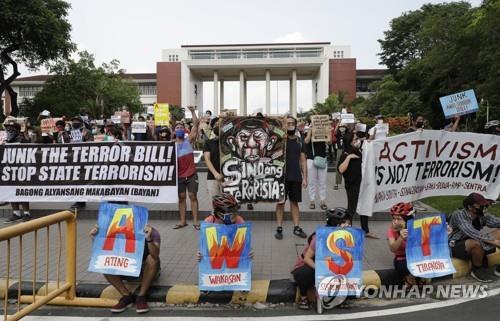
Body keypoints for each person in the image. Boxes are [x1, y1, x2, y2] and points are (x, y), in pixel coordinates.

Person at [89, 224, 160, 313]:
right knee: (103, 259)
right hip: (125, 268)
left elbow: (155, 255)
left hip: (145, 270)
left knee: (152, 259)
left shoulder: (151, 231)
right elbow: (102, 251)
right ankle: (126, 296)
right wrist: (95, 238)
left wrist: (149, 239)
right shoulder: (112, 231)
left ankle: (141, 296)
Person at [291, 207, 351, 310]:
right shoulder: (320, 237)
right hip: (312, 264)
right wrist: (320, 270)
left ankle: (339, 298)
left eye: (349, 223)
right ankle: (304, 298)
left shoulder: (347, 237)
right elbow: (307, 259)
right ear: (336, 224)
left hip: (329, 264)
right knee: (304, 273)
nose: (349, 226)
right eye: (345, 223)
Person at [448, 193, 500, 283]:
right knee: (475, 243)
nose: (484, 207)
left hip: (476, 240)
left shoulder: (482, 215)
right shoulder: (459, 215)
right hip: (455, 244)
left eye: (485, 205)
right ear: (470, 207)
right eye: (481, 206)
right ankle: (477, 270)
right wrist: (494, 241)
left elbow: (496, 222)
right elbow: (471, 232)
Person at [337, 132, 378, 239]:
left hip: (363, 184)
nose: (357, 141)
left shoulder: (361, 150)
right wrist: (349, 157)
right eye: (355, 139)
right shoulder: (346, 153)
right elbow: (341, 169)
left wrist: (369, 141)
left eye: (357, 139)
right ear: (349, 141)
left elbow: (369, 143)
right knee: (352, 208)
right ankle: (346, 229)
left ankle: (365, 230)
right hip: (352, 185)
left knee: (364, 206)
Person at [275, 116, 308, 240]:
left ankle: (296, 227)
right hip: (281, 178)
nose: (290, 125)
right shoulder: (279, 140)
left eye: (292, 123)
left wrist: (305, 178)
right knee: (280, 202)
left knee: (294, 203)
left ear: (295, 125)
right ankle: (279, 227)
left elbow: (303, 161)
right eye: (287, 123)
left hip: (295, 177)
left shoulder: (300, 141)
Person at [173, 106, 200, 230]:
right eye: (177, 127)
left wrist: (193, 111)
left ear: (184, 130)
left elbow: (196, 123)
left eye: (181, 127)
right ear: (174, 131)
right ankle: (182, 221)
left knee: (192, 196)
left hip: (191, 174)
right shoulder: (170, 145)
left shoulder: (189, 140)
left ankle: (195, 221)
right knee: (181, 197)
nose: (179, 129)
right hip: (179, 176)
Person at [386, 202, 424, 286]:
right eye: (394, 218)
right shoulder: (391, 230)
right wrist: (400, 238)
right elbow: (392, 248)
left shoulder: (416, 227)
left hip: (416, 257)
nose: (395, 222)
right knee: (406, 271)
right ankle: (409, 281)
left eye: (399, 219)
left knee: (422, 280)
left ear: (407, 220)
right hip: (401, 258)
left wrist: (444, 232)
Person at [3, 121, 32, 223]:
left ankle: (27, 213)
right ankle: (16, 213)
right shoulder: (6, 141)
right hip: (8, 170)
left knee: (22, 191)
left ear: (17, 130)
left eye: (11, 129)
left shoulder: (22, 140)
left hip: (21, 170)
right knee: (10, 191)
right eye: (7, 129)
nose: (9, 131)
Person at [303, 123, 328, 210]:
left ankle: (322, 201)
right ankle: (312, 201)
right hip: (311, 159)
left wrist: (327, 131)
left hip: (322, 159)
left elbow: (329, 142)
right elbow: (306, 141)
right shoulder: (308, 130)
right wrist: (310, 130)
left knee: (322, 182)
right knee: (312, 182)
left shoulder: (324, 130)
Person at [203, 117, 223, 201]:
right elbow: (207, 159)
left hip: (229, 178)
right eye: (216, 124)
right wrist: (216, 174)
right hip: (213, 177)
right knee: (215, 204)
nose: (218, 126)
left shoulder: (230, 142)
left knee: (229, 205)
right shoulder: (208, 143)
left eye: (220, 124)